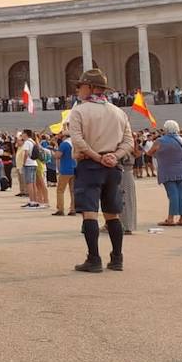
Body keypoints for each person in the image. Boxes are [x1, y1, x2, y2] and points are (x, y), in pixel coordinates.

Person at [65, 69, 134, 272]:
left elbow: (77, 139)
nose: (77, 89)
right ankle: (117, 258)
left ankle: (94, 259)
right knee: (112, 214)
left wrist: (97, 157)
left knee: (90, 213)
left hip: (90, 165)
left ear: (91, 88)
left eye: (80, 85)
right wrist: (115, 156)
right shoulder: (118, 111)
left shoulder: (79, 110)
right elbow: (129, 141)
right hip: (113, 167)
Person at [149, 120, 182, 227]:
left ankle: (170, 218)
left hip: (167, 170)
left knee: (173, 194)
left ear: (165, 129)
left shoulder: (160, 141)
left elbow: (150, 152)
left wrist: (159, 155)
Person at [53, 132, 76, 217]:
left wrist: (54, 153)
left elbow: (58, 156)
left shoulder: (64, 144)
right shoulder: (74, 143)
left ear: (64, 137)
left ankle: (60, 209)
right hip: (74, 168)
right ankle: (73, 209)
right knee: (73, 191)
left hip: (65, 169)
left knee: (60, 190)